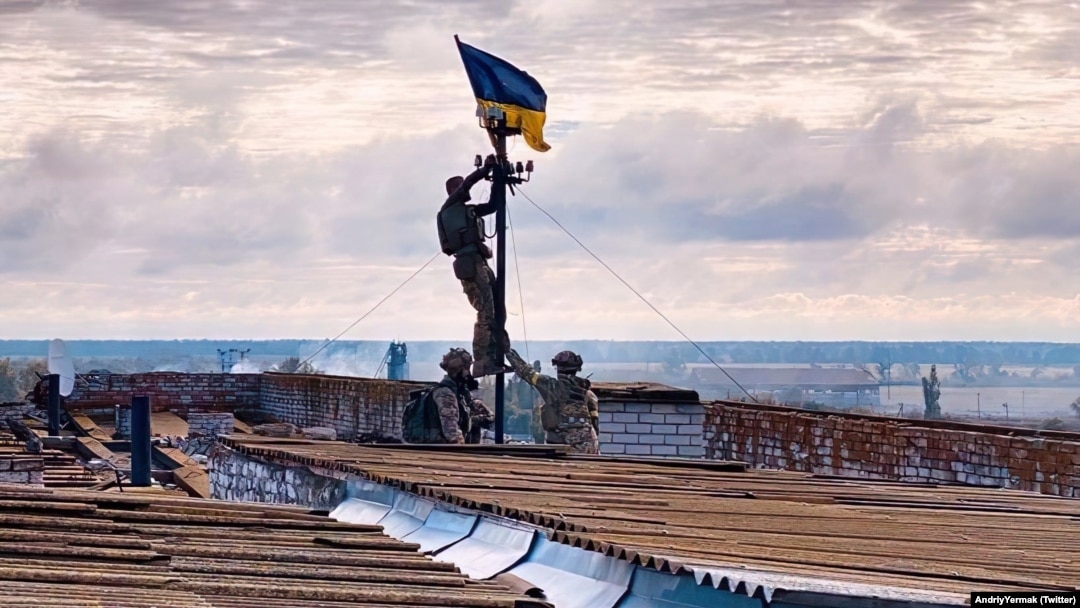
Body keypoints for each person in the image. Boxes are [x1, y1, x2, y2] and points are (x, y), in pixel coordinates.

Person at [437, 154, 511, 377]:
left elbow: (493, 206)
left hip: (480, 262)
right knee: (485, 313)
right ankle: (482, 362)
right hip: (469, 263)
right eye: (459, 187)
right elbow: (467, 185)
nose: (465, 189)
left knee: (498, 310)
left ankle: (498, 354)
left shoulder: (467, 211)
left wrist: (498, 179)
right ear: (453, 190)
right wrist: (484, 170)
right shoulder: (449, 207)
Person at [505, 348, 599, 454]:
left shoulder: (553, 387)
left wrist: (508, 353)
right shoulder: (586, 391)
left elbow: (527, 373)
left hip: (561, 443)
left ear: (558, 368)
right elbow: (595, 420)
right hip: (586, 443)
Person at [428, 348, 493, 444]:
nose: (468, 373)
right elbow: (452, 433)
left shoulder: (459, 393)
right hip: (443, 452)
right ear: (458, 370)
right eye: (466, 368)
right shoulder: (445, 394)